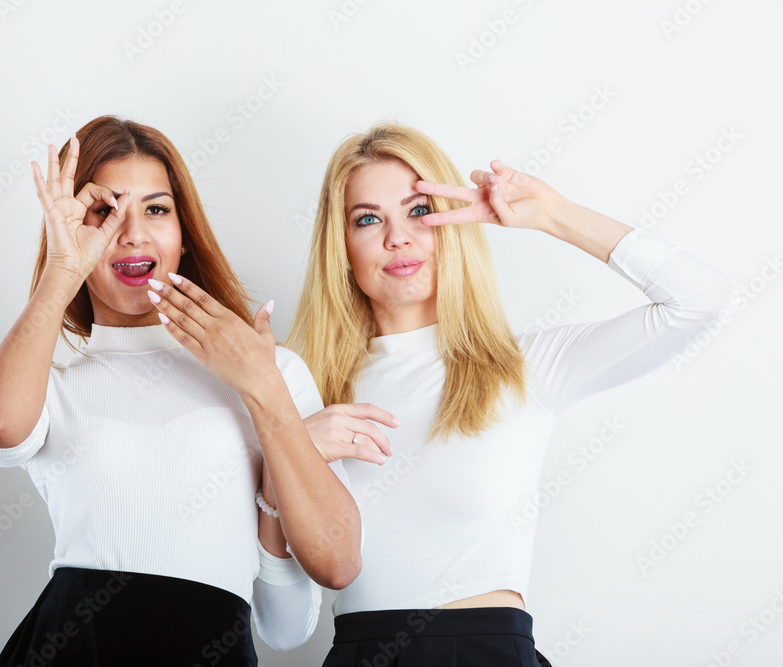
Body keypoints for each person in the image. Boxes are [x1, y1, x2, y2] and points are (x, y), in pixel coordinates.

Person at [284, 122, 736, 666]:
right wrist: (289, 445)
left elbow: (700, 300)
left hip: (484, 652)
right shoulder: (304, 394)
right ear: (342, 246)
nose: (397, 237)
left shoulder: (525, 368)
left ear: (453, 226)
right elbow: (281, 619)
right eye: (368, 219)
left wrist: (551, 214)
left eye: (421, 210)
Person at [0, 115, 362, 666]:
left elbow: (307, 601)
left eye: (156, 208)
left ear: (183, 231)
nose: (132, 233)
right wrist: (63, 267)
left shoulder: (271, 371)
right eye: (104, 211)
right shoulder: (53, 386)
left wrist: (265, 398)